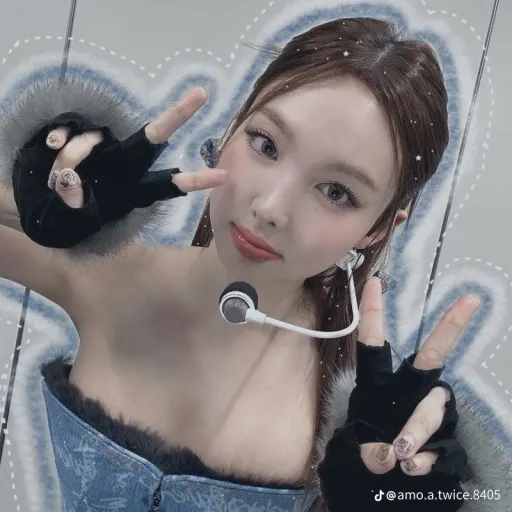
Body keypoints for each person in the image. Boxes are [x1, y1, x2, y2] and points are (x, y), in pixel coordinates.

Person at [0, 16, 510, 511]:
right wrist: (32, 195)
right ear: (232, 128)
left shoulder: (360, 420)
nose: (270, 208)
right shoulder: (107, 276)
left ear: (377, 228)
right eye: (266, 144)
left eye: (336, 191)